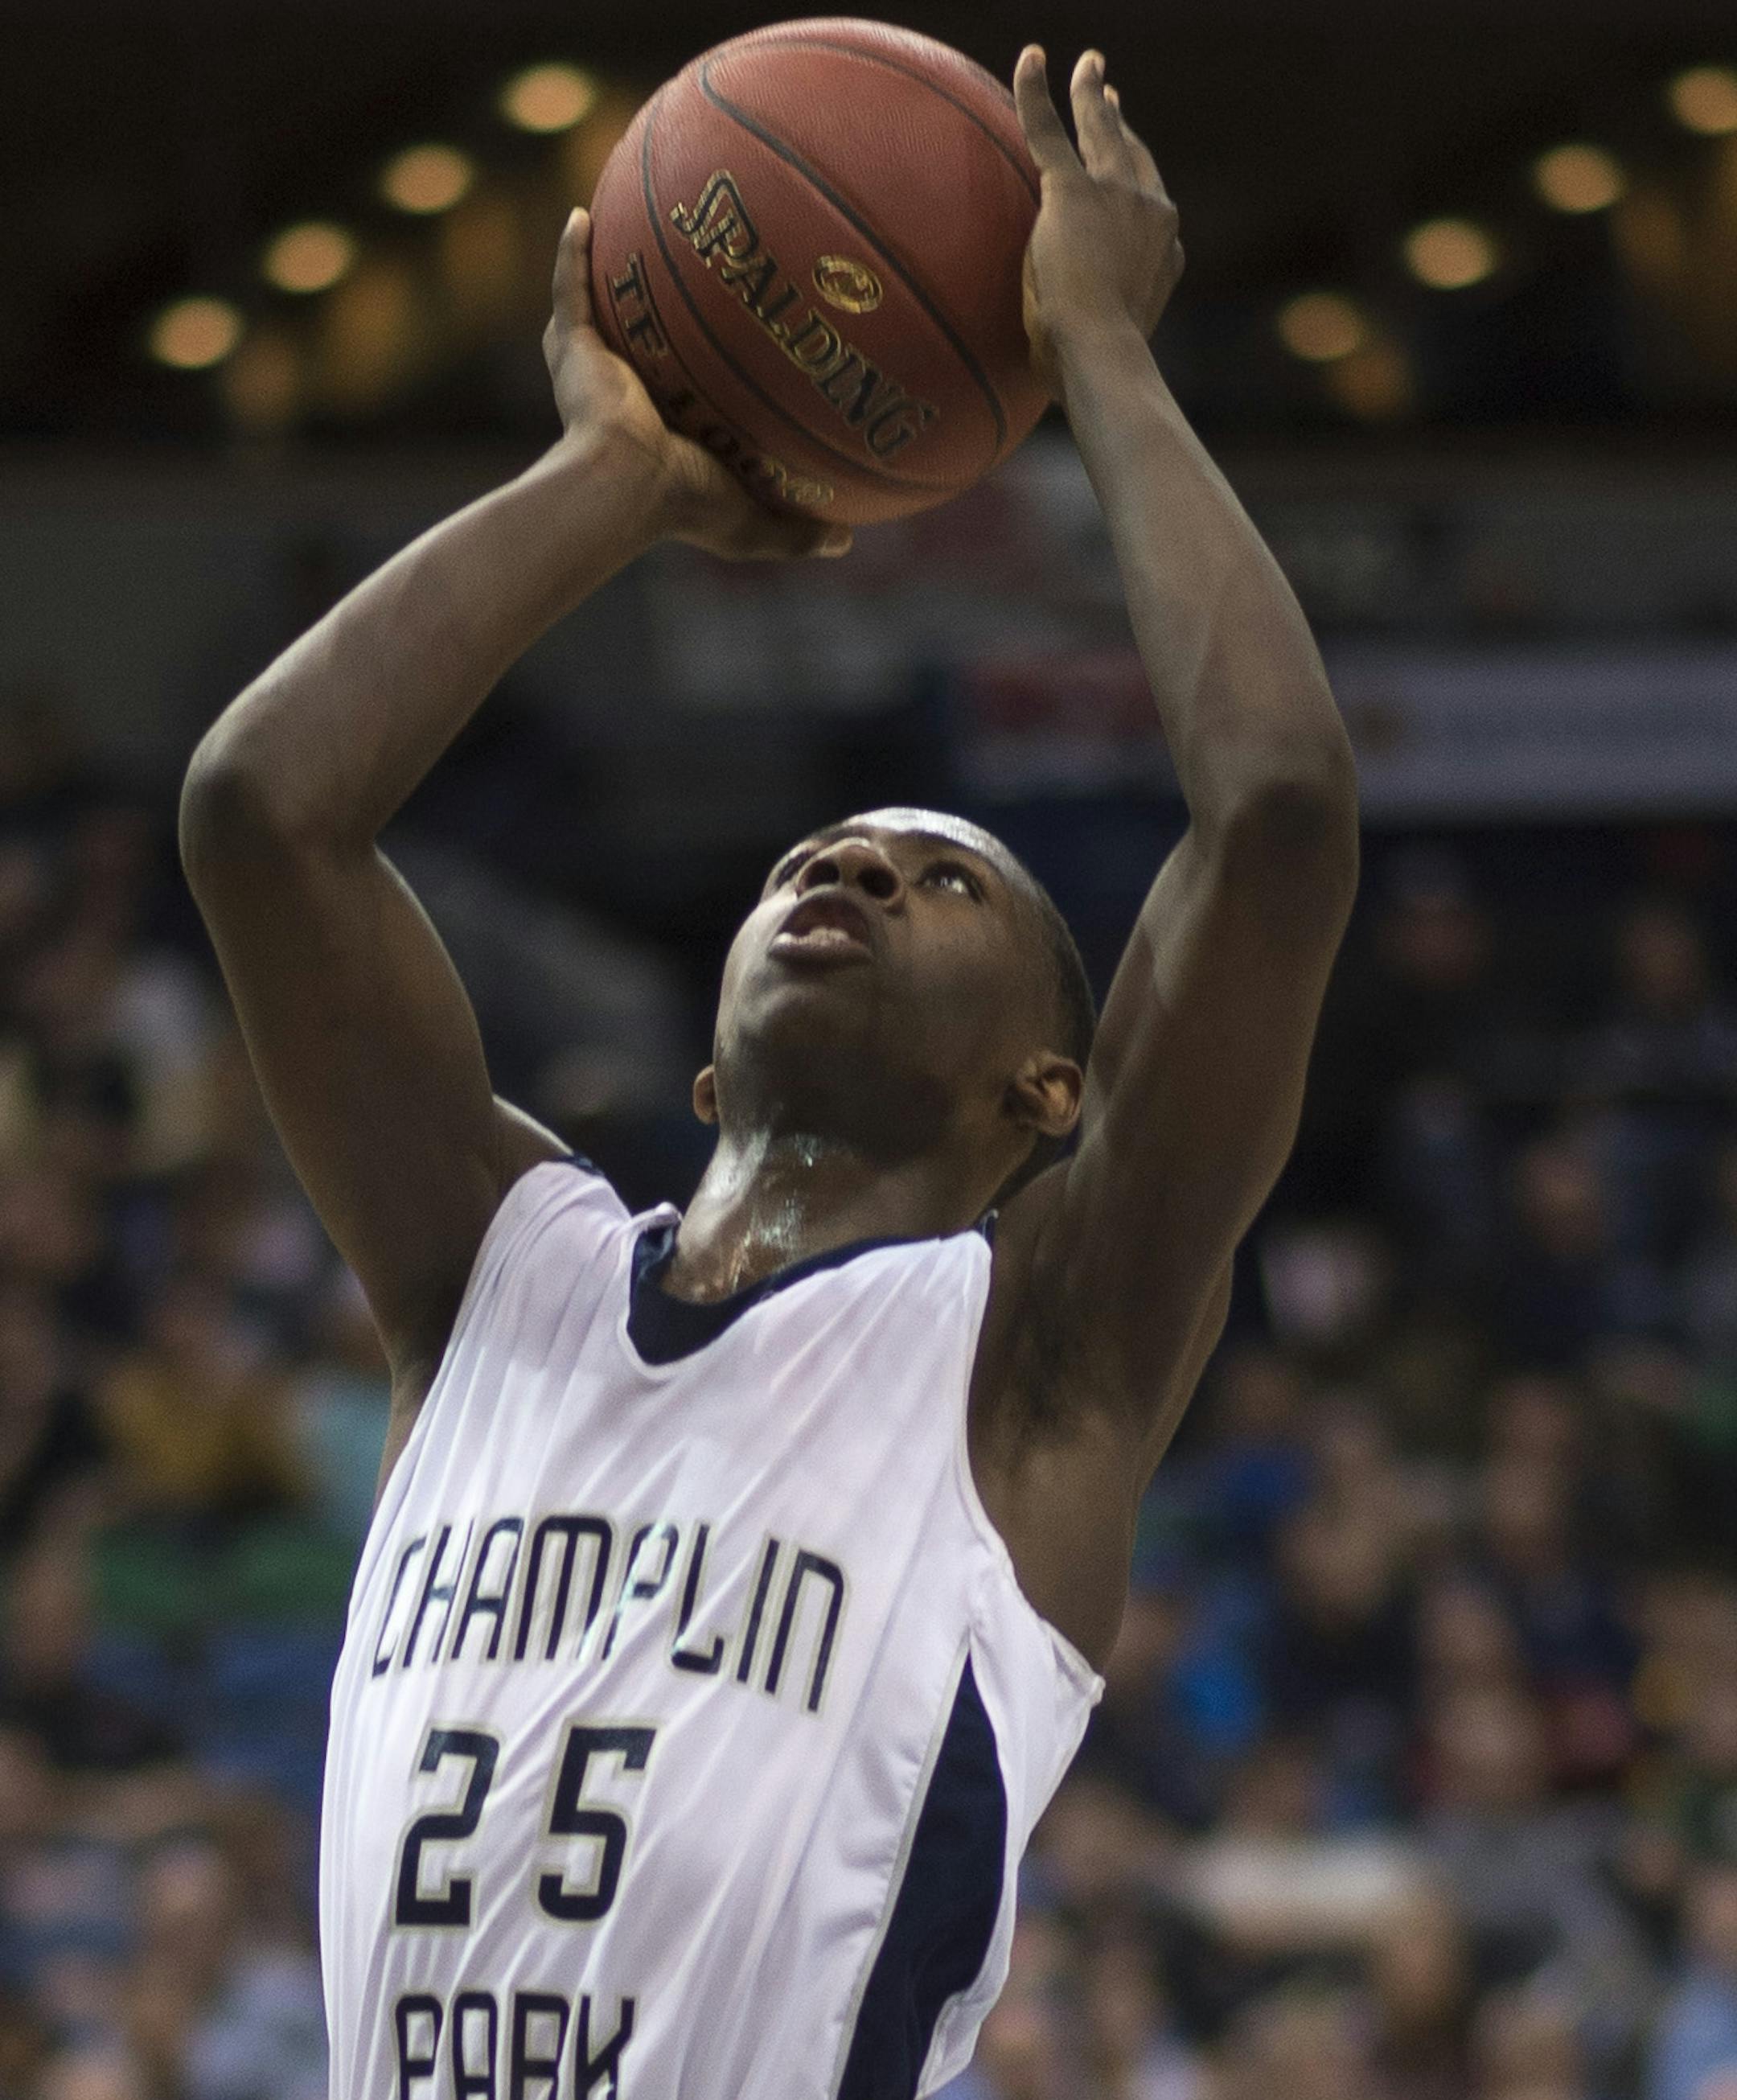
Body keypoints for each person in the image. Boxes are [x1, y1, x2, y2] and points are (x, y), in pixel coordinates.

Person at [178, 45, 1357, 2100]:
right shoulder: (497, 1277)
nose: (853, 866)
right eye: (824, 856)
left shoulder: (1031, 1361)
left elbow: (1271, 821)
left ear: (1049, 1095)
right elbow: (263, 809)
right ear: (706, 1076)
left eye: (944, 883)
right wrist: (618, 474)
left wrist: (1097, 360)